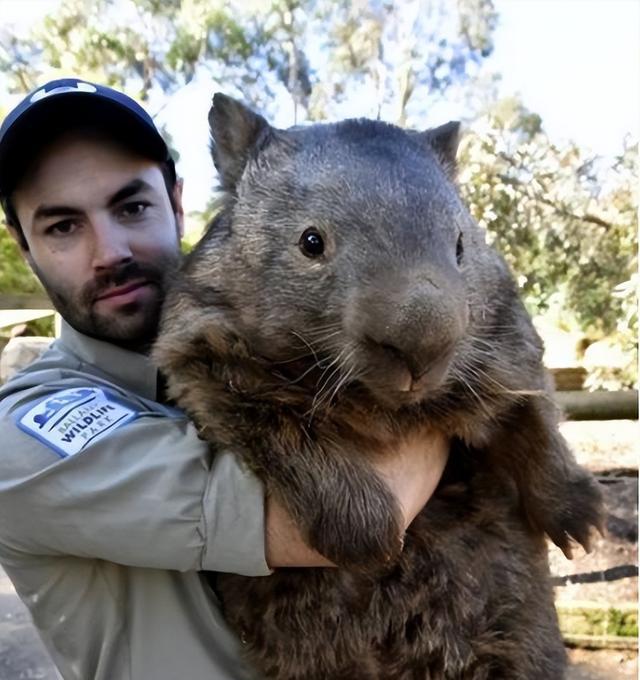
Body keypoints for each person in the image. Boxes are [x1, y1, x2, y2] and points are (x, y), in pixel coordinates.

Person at [0, 78, 449, 680]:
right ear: (24, 247)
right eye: (62, 227)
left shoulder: (280, 341)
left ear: (178, 203)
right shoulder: (22, 436)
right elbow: (355, 515)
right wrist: (439, 382)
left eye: (131, 207)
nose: (108, 251)